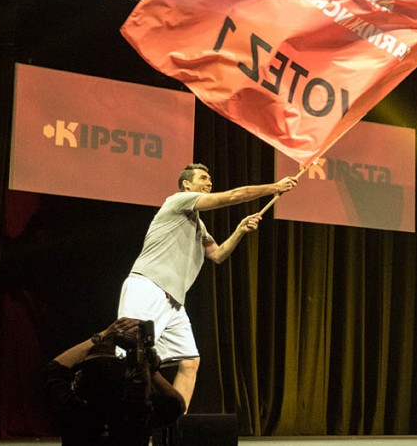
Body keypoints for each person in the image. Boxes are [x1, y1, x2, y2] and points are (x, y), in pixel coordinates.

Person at [118, 163, 298, 412]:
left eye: (211, 179)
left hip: (173, 300)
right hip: (149, 286)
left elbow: (218, 254)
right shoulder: (177, 201)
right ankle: (119, 424)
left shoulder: (198, 226)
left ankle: (174, 425)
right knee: (129, 360)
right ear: (187, 185)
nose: (209, 182)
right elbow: (233, 196)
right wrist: (274, 187)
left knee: (190, 361)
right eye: (203, 178)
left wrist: (240, 230)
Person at [44, 317, 185, 445]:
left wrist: (102, 335)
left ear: (79, 380)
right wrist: (148, 366)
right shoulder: (134, 416)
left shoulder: (72, 412)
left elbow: (55, 369)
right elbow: (175, 404)